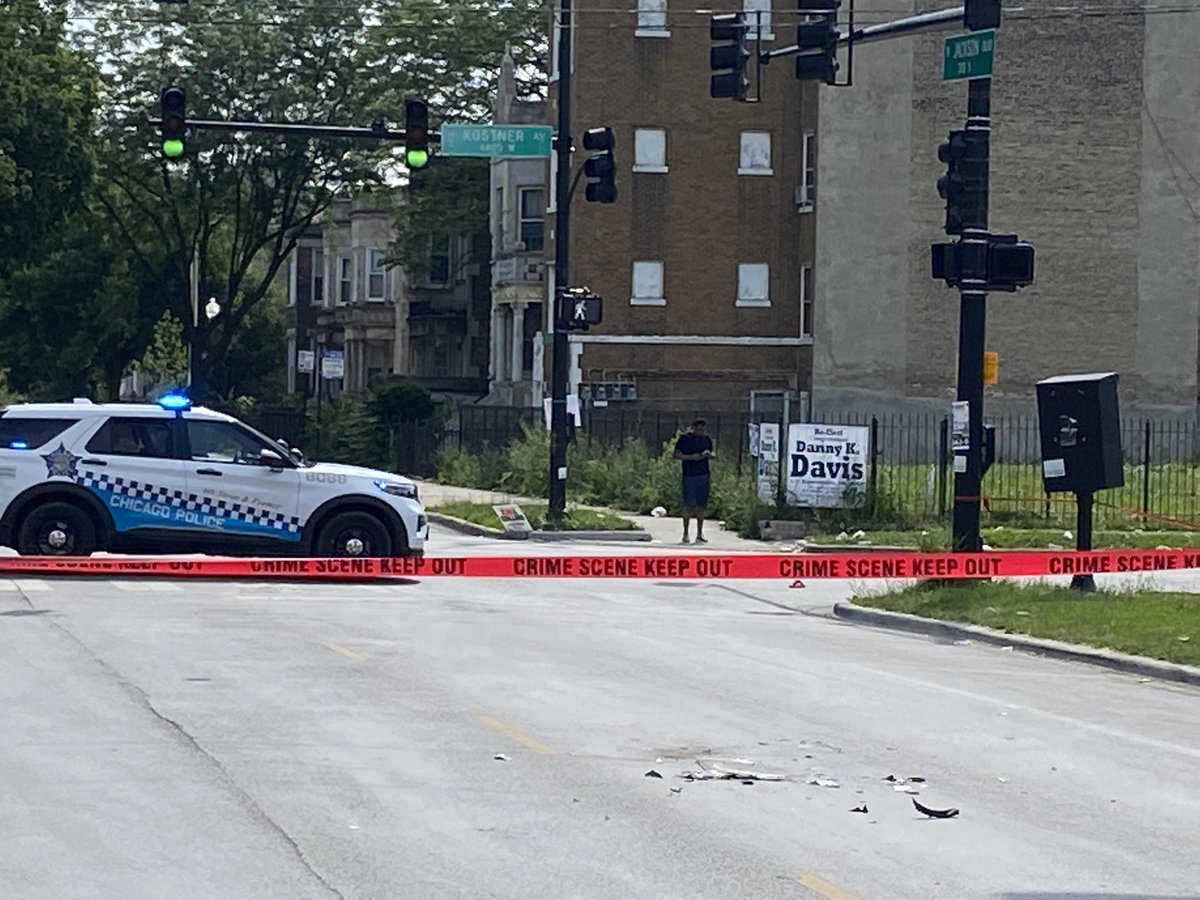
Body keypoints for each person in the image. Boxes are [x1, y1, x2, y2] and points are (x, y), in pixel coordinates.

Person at [673, 419, 714, 544]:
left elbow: (712, 453)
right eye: (699, 429)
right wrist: (691, 457)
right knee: (688, 504)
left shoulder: (706, 439)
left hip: (704, 474)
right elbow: (676, 454)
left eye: (703, 429)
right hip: (689, 475)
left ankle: (699, 534)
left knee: (701, 504)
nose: (701, 431)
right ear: (693, 428)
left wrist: (709, 455)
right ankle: (685, 533)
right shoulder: (685, 439)